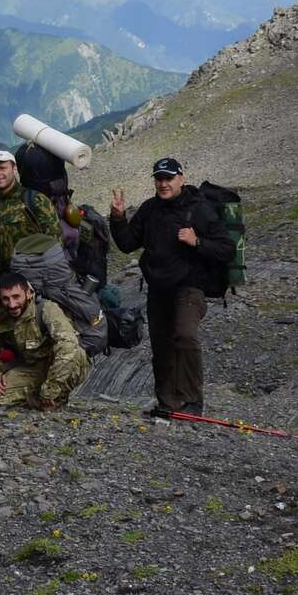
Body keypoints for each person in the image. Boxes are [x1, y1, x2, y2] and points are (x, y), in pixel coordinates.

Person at [109, 157, 233, 418]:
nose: (163, 183)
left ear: (181, 178)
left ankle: (192, 402)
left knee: (185, 336)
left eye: (168, 178)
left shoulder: (199, 209)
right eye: (159, 179)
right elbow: (128, 243)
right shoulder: (150, 209)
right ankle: (168, 404)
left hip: (190, 286)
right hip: (158, 289)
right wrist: (118, 218)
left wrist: (197, 241)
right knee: (162, 347)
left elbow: (226, 249)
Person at [0, 270, 90, 410]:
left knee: (77, 353)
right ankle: (42, 401)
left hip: (60, 363)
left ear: (27, 293)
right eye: (6, 298)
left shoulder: (47, 309)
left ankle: (56, 396)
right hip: (32, 367)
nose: (12, 304)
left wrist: (50, 389)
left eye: (16, 297)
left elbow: (68, 345)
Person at [0, 149, 61, 313]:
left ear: (14, 169)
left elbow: (56, 242)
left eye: (2, 168)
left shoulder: (35, 199)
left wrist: (46, 279)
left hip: (36, 281)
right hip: (7, 285)